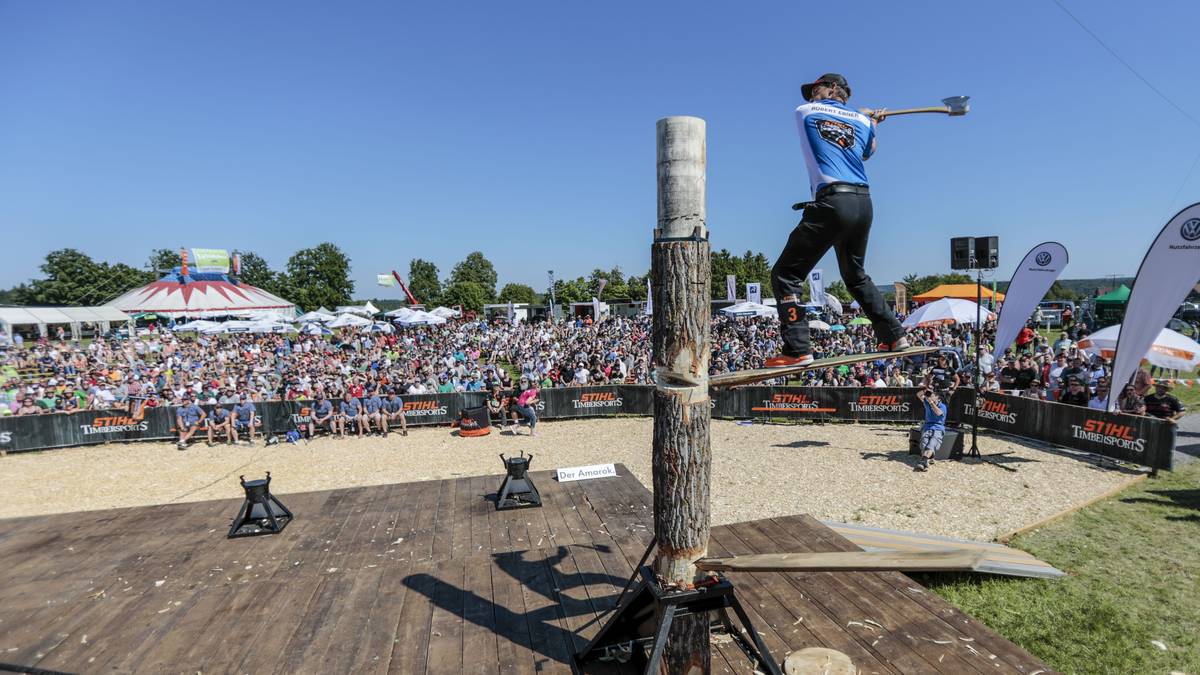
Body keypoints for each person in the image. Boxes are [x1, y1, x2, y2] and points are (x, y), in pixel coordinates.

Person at [767, 73, 907, 368]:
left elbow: (824, 113)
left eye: (814, 90)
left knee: (786, 274)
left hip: (833, 201)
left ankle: (797, 348)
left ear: (831, 89)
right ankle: (894, 334)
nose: (809, 97)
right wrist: (870, 122)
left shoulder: (806, 112)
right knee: (856, 276)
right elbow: (869, 151)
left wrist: (864, 116)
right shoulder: (862, 121)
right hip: (863, 202)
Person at [915, 386, 947, 472]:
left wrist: (932, 403)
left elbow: (939, 413)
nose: (929, 397)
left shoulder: (942, 406)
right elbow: (918, 395)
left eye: (932, 395)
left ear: (937, 397)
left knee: (932, 443)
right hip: (927, 426)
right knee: (923, 444)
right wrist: (925, 390)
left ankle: (923, 461)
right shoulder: (927, 402)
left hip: (938, 427)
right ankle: (928, 459)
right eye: (930, 395)